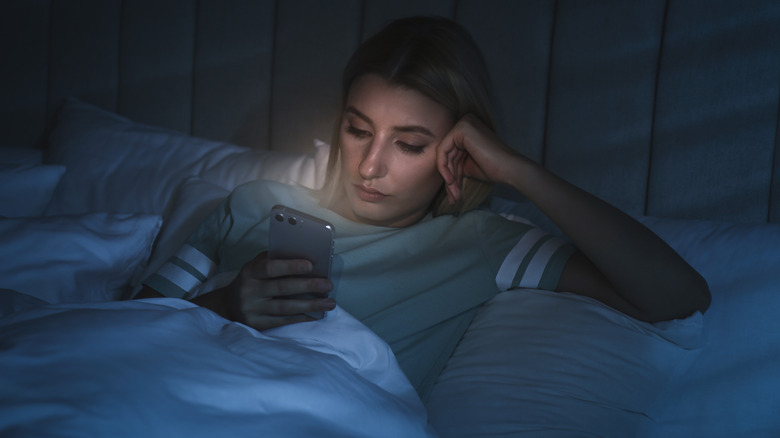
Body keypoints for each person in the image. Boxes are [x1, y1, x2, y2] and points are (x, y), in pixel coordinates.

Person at [137, 16, 710, 400]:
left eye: (409, 144)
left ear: (457, 148)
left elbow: (679, 298)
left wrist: (519, 170)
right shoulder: (251, 205)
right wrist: (224, 305)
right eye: (358, 130)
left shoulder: (483, 245)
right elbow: (122, 328)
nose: (370, 165)